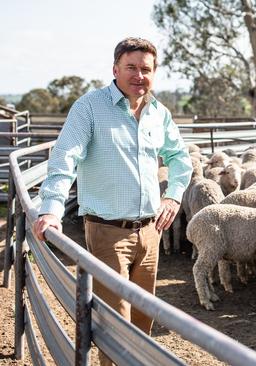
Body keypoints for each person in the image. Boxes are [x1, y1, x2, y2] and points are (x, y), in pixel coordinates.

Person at [32, 37, 192, 364]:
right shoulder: (90, 107)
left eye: (146, 69)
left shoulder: (158, 113)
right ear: (115, 69)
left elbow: (179, 157)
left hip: (150, 232)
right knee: (116, 322)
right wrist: (51, 210)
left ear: (154, 73)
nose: (138, 75)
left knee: (143, 316)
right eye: (131, 67)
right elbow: (65, 158)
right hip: (107, 232)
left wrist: (173, 196)